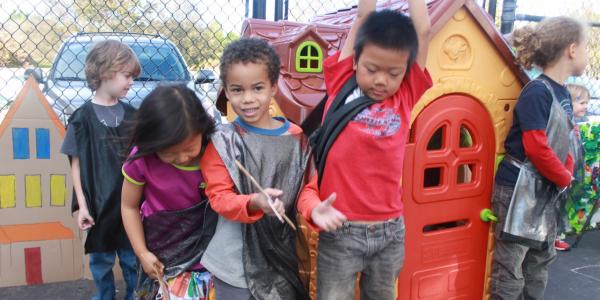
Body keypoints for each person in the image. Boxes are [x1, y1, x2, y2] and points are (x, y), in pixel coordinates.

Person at [199, 37, 346, 300]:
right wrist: (254, 201)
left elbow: (305, 188)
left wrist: (314, 208)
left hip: (281, 257)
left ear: (273, 86)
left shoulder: (295, 137)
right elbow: (219, 198)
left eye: (257, 88)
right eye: (237, 90)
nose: (247, 99)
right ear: (226, 91)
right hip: (234, 265)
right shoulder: (223, 141)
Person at [311, 0, 432, 299]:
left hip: (389, 230)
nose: (381, 80)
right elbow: (363, 14)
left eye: (393, 73)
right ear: (354, 62)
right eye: (372, 69)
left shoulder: (406, 94)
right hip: (341, 229)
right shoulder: (341, 83)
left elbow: (424, 30)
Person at [491, 16, 589, 299]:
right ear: (571, 49)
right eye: (585, 47)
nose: (587, 54)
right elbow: (536, 146)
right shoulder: (537, 92)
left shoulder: (563, 93)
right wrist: (563, 176)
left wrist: (566, 171)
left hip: (545, 189)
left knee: (540, 259)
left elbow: (565, 139)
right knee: (511, 266)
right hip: (520, 190)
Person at [60, 40, 141, 300]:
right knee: (101, 263)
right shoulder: (81, 118)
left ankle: (136, 296)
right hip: (98, 205)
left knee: (132, 261)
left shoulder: (132, 115)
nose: (131, 82)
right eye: (127, 75)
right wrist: (81, 206)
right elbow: (76, 164)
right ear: (107, 71)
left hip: (130, 204)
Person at [121, 85, 218, 300]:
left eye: (190, 148)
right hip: (161, 255)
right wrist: (142, 252)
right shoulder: (142, 159)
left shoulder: (217, 153)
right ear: (151, 143)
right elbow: (129, 206)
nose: (183, 158)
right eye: (170, 153)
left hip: (210, 257)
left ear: (202, 130)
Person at [555, 83, 591, 251]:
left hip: (570, 173)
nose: (586, 106)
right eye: (582, 102)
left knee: (562, 206)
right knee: (555, 206)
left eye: (586, 102)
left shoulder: (574, 124)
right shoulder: (564, 124)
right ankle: (551, 237)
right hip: (561, 174)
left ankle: (556, 236)